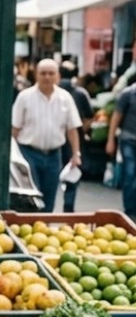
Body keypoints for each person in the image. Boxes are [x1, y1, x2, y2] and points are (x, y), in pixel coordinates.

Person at [12, 58, 82, 213]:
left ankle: (44, 229)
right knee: (31, 197)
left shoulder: (65, 98)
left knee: (49, 197)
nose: (47, 77)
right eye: (43, 73)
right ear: (36, 75)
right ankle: (30, 229)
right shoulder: (24, 97)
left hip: (53, 156)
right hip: (28, 153)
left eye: (51, 73)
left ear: (57, 76)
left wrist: (76, 154)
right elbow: (15, 129)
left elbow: (72, 129)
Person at [60, 61, 95, 212]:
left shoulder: (55, 92)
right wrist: (83, 131)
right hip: (75, 140)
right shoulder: (81, 93)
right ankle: (68, 207)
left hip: (55, 141)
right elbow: (88, 118)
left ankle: (45, 211)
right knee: (72, 173)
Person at [108, 82, 136, 220]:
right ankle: (130, 210)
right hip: (129, 140)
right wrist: (110, 140)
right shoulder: (128, 93)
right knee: (129, 174)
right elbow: (116, 117)